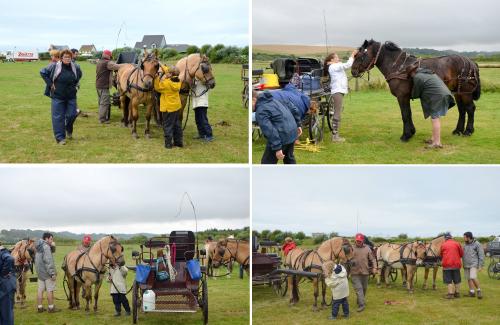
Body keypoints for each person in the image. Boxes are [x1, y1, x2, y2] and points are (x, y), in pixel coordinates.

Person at [40, 49, 83, 145]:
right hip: (58, 96)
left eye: (69, 57)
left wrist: (75, 85)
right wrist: (51, 84)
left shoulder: (75, 66)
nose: (68, 59)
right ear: (61, 58)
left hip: (71, 96)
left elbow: (79, 75)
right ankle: (60, 138)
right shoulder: (54, 66)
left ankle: (68, 129)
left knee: (72, 114)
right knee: (58, 117)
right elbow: (43, 72)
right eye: (65, 57)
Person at [407, 65, 456, 148]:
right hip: (443, 94)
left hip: (437, 97)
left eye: (410, 74)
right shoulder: (428, 72)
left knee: (435, 119)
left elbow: (416, 92)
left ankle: (437, 143)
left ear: (412, 72)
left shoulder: (418, 77)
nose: (411, 76)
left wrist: (410, 96)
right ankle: (433, 139)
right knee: (435, 118)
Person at [254, 90, 302, 164]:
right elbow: (293, 108)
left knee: (266, 164)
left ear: (254, 99)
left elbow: (269, 130)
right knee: (289, 159)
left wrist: (277, 148)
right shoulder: (274, 99)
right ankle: (294, 174)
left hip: (282, 137)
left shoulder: (261, 110)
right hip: (292, 133)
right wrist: (298, 124)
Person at [324, 50, 358, 142]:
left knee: (338, 111)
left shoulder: (334, 66)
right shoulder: (333, 66)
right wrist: (352, 55)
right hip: (337, 91)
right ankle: (335, 137)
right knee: (337, 113)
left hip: (339, 91)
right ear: (332, 59)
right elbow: (347, 65)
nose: (338, 58)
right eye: (337, 57)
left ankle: (335, 135)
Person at [154, 64, 183, 149]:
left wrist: (157, 77)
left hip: (168, 108)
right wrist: (161, 64)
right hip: (176, 107)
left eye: (168, 73)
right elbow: (168, 71)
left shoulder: (166, 83)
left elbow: (157, 87)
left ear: (171, 74)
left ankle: (168, 144)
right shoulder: (178, 81)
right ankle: (178, 142)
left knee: (167, 125)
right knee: (177, 125)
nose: (166, 74)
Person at [350, 233, 376, 312]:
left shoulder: (367, 248)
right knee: (359, 288)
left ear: (362, 241)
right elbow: (346, 259)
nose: (358, 242)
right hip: (354, 272)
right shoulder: (351, 248)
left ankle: (359, 300)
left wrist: (375, 267)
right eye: (357, 241)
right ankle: (362, 305)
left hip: (365, 272)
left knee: (364, 289)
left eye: (360, 241)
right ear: (355, 240)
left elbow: (373, 259)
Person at [35, 232, 60, 313]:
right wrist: (52, 273)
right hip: (46, 272)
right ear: (46, 239)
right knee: (50, 290)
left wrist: (53, 246)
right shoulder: (46, 247)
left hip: (39, 272)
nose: (52, 241)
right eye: (51, 239)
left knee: (40, 290)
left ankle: (40, 307)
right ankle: (51, 307)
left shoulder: (38, 245)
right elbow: (48, 261)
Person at [96, 49, 123, 124]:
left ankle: (103, 116)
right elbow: (117, 66)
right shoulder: (107, 63)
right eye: (110, 56)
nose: (110, 57)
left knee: (101, 102)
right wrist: (128, 65)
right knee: (105, 103)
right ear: (108, 56)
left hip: (98, 85)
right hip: (104, 86)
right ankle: (102, 119)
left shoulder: (100, 61)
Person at [440, 232, 464, 299]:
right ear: (451, 237)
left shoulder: (443, 245)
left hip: (447, 265)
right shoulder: (457, 243)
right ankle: (457, 293)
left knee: (448, 280)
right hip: (456, 264)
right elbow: (461, 254)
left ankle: (450, 294)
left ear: (445, 238)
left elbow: (441, 254)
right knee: (457, 280)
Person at [463, 231, 485, 299]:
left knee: (473, 277)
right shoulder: (465, 244)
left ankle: (479, 290)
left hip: (473, 264)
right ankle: (472, 292)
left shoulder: (477, 244)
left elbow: (481, 255)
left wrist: (480, 265)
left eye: (464, 237)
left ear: (468, 237)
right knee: (468, 278)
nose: (463, 238)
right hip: (466, 264)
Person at [193, 78, 214, 142]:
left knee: (203, 119)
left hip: (202, 102)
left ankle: (209, 135)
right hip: (196, 102)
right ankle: (201, 133)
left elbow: (211, 85)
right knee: (198, 119)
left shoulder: (205, 80)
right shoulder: (195, 80)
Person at [0, 242, 16, 325]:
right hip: (3, 286)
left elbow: (10, 259)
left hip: (6, 288)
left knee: (6, 314)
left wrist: (3, 273)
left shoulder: (3, 252)